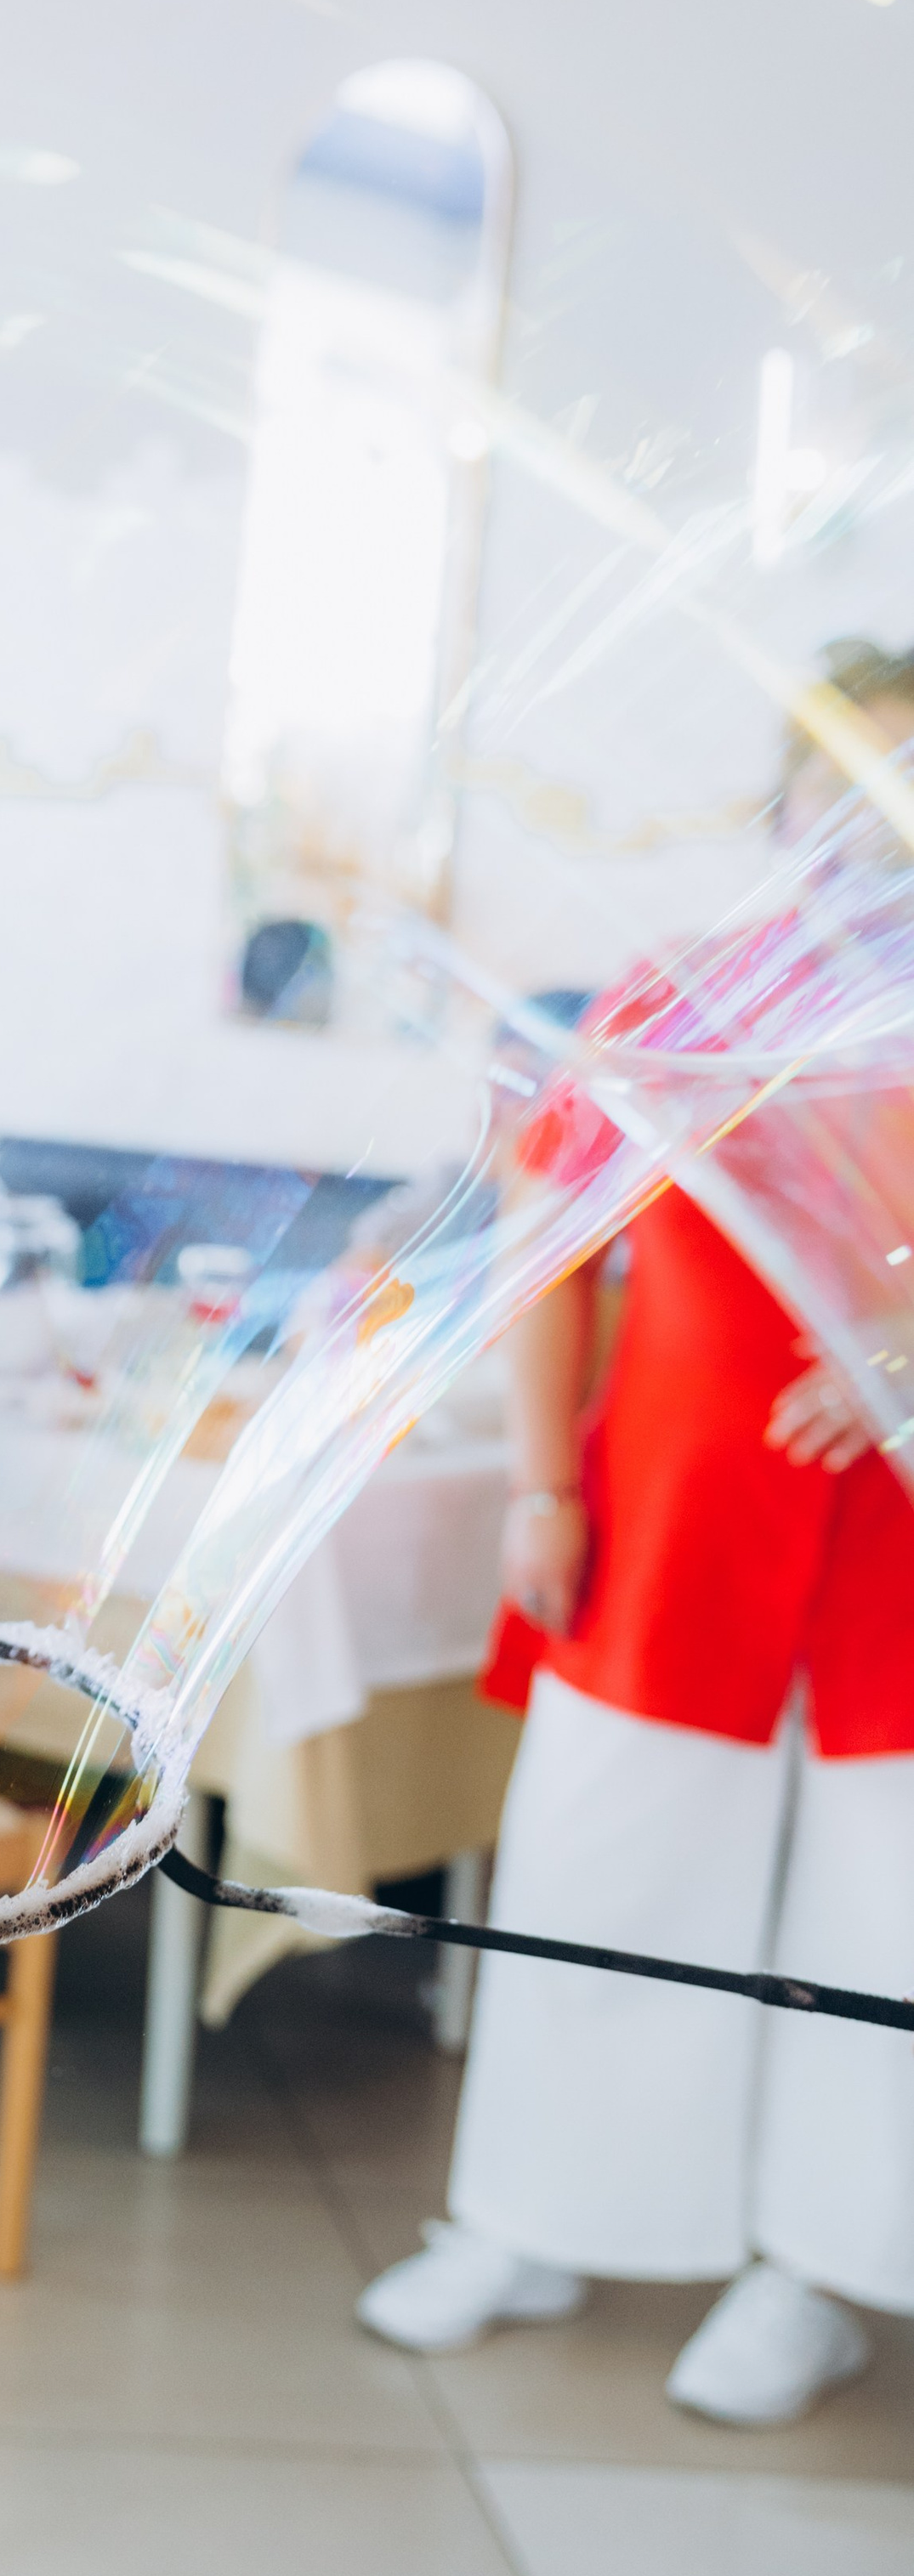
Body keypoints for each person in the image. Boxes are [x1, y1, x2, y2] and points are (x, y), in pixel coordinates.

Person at [359, 694, 914, 2424]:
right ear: (784, 800)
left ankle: (815, 2270)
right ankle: (525, 2215)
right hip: (667, 1506)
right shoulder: (672, 1004)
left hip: (889, 1533)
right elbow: (551, 1251)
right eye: (844, 776)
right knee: (597, 1867)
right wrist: (542, 1483)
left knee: (875, 1912)